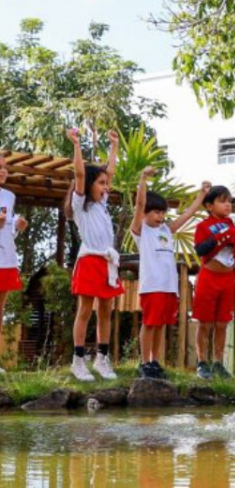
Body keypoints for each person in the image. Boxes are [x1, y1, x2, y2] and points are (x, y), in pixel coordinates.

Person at [131, 168, 206, 380]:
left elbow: (187, 215)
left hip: (169, 286)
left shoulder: (166, 230)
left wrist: (201, 195)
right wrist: (143, 179)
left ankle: (155, 361)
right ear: (145, 213)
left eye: (163, 212)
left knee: (160, 325)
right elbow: (139, 204)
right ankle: (144, 362)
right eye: (156, 212)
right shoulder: (141, 230)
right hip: (152, 286)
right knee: (149, 323)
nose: (161, 216)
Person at [66, 127, 122, 382]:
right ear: (88, 185)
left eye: (106, 184)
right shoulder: (80, 203)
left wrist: (114, 146)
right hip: (89, 261)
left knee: (106, 310)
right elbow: (79, 172)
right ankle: (78, 361)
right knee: (85, 310)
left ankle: (102, 358)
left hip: (106, 262)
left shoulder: (102, 204)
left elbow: (110, 171)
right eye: (101, 183)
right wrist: (76, 145)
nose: (106, 187)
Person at [192, 184, 235, 379]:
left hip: (227, 279)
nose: (228, 205)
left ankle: (218, 363)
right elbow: (200, 250)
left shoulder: (233, 226)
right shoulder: (203, 226)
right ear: (209, 206)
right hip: (208, 277)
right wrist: (221, 238)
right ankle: (202, 363)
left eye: (229, 201)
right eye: (222, 201)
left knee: (222, 323)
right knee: (205, 323)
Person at [0, 156, 29, 374]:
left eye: (5, 168)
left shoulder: (9, 196)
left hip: (5, 258)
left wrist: (18, 226)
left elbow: (8, 230)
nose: (3, 171)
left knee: (0, 310)